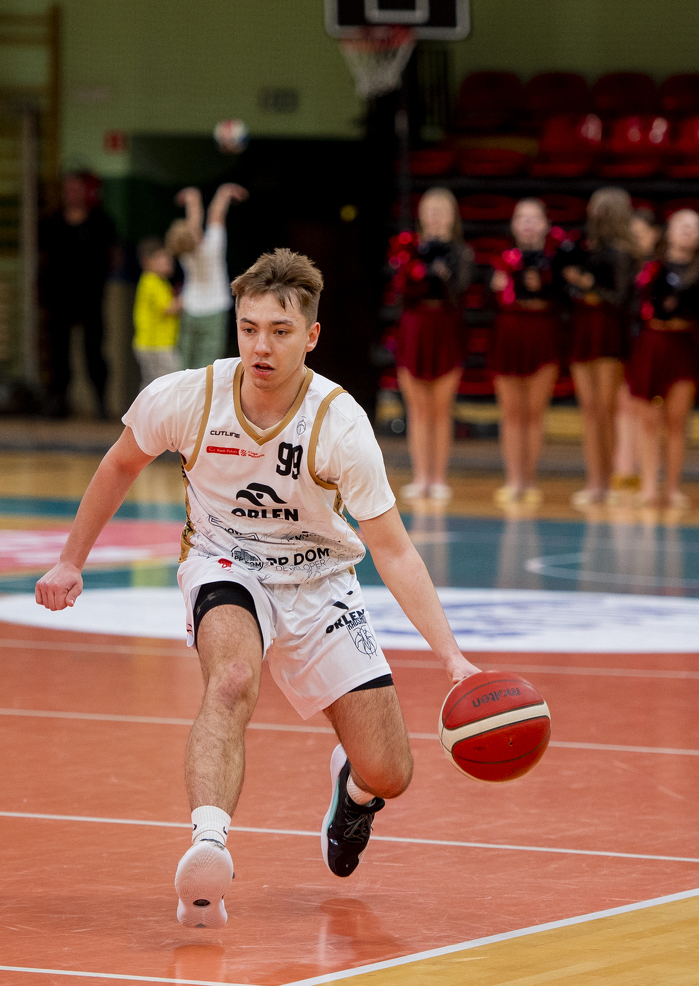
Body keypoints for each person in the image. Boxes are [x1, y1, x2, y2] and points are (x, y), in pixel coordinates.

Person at [34, 249, 477, 929]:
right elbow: (120, 463)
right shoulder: (189, 397)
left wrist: (451, 657)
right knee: (232, 678)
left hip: (320, 579)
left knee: (391, 770)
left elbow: (393, 549)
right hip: (225, 562)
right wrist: (71, 561)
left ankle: (355, 792)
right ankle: (208, 846)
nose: (261, 346)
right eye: (249, 328)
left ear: (312, 336)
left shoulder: (340, 423)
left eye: (279, 331)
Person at [628, 209, 699, 510]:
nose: (687, 231)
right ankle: (648, 485)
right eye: (682, 225)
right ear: (669, 231)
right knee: (649, 421)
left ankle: (673, 487)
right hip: (654, 344)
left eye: (694, 226)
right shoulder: (651, 268)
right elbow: (637, 306)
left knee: (677, 422)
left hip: (684, 346)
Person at [393, 188, 474, 502]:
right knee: (417, 409)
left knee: (440, 409)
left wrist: (443, 273)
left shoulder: (462, 253)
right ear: (421, 216)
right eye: (430, 211)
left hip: (446, 326)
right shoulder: (408, 249)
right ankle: (420, 477)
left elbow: (459, 293)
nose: (436, 217)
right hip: (415, 327)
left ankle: (438, 477)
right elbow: (399, 292)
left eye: (442, 211)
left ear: (453, 217)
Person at [561, 188, 635, 508]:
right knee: (590, 411)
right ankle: (594, 482)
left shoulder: (623, 253)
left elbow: (619, 296)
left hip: (608, 328)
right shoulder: (583, 247)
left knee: (606, 410)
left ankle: (610, 480)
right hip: (583, 325)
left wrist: (586, 284)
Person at [488, 199, 564, 505]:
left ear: (546, 225)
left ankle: (529, 481)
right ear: (514, 225)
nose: (528, 223)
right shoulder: (501, 260)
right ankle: (513, 480)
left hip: (542, 332)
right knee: (512, 413)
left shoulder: (558, 262)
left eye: (534, 218)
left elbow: (564, 300)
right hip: (510, 333)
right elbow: (490, 301)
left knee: (533, 413)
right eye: (522, 217)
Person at [40, 172, 119, 418]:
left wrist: (99, 280)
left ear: (85, 192)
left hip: (90, 298)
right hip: (58, 300)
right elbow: (41, 259)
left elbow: (114, 255)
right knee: (58, 354)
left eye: (77, 189)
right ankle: (58, 403)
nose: (72, 194)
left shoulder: (101, 221)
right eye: (68, 189)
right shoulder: (51, 222)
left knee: (94, 351)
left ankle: (101, 403)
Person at [610, 208, 661, 501]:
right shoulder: (624, 266)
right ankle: (624, 469)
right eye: (631, 235)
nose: (636, 240)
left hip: (655, 343)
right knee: (624, 405)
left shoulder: (661, 267)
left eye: (641, 234)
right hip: (627, 341)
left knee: (651, 410)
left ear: (654, 235)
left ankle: (649, 471)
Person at [170, 184, 247, 369]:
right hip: (214, 309)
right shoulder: (213, 247)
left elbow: (193, 224)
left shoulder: (184, 254)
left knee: (185, 361)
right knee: (208, 364)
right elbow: (216, 215)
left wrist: (192, 199)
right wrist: (224, 192)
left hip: (190, 308)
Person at [132, 237, 181, 388]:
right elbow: (168, 308)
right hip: (156, 345)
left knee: (152, 384)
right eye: (161, 257)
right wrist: (190, 296)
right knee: (166, 383)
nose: (168, 261)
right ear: (147, 262)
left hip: (152, 344)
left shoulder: (155, 281)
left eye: (168, 257)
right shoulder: (152, 280)